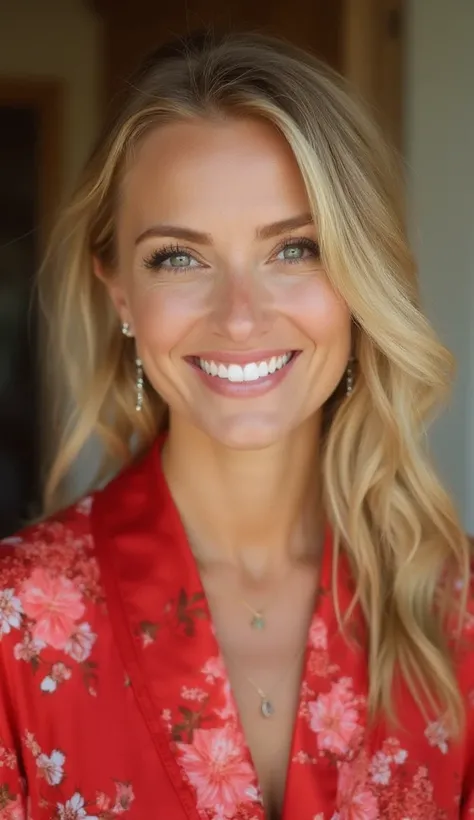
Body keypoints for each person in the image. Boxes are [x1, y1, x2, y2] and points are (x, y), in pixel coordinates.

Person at [0, 30, 472, 820]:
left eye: (296, 248)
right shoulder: (14, 628)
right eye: (179, 259)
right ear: (119, 291)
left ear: (362, 278)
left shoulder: (454, 614)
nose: (242, 319)